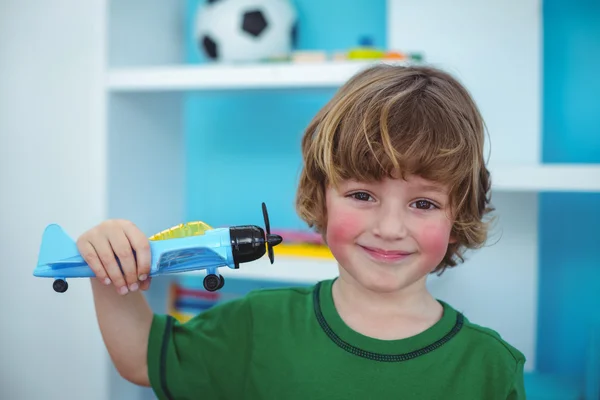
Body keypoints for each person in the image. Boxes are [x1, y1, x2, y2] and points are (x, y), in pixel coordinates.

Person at [77, 64, 526, 399]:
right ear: (322, 197)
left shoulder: (492, 369)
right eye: (362, 195)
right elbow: (139, 358)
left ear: (458, 217)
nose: (390, 228)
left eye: (423, 204)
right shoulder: (256, 324)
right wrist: (108, 266)